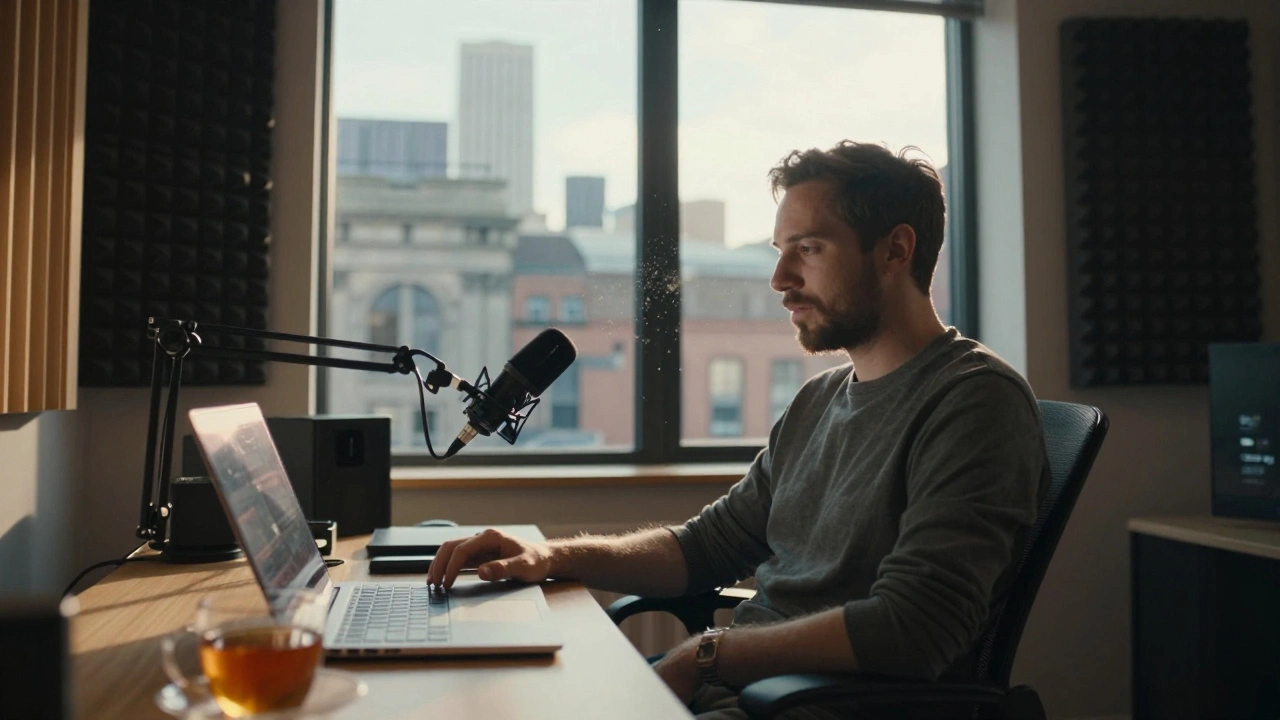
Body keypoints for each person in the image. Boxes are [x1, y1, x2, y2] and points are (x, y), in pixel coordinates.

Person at [427, 141, 1050, 720]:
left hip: (814, 707)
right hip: (738, 691)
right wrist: (549, 556)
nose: (779, 278)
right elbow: (704, 548)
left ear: (895, 250)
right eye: (780, 250)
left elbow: (913, 628)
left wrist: (707, 655)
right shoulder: (818, 400)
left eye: (808, 249)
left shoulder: (974, 402)